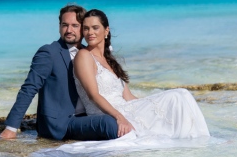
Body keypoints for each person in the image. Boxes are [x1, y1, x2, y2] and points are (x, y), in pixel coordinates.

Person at [71, 9, 210, 140]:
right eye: (86, 28)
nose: (90, 32)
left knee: (182, 94)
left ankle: (198, 140)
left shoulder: (109, 60)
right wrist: (120, 118)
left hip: (126, 109)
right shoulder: (84, 56)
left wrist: (149, 106)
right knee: (178, 96)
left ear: (106, 30)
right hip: (109, 113)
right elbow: (93, 95)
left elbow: (129, 97)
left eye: (95, 28)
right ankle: (199, 140)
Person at [0, 4, 121, 141]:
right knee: (109, 124)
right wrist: (11, 128)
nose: (69, 30)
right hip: (61, 123)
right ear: (59, 27)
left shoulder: (89, 54)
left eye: (75, 25)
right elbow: (29, 88)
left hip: (87, 117)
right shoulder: (49, 52)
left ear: (83, 28)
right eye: (64, 25)